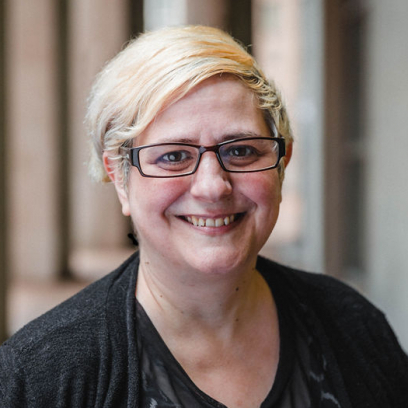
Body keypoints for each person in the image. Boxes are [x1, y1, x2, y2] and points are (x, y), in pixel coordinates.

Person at [0, 25, 407, 408]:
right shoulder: (42, 376)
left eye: (242, 150)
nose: (213, 186)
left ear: (282, 164)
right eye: (174, 156)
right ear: (120, 179)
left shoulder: (353, 326)